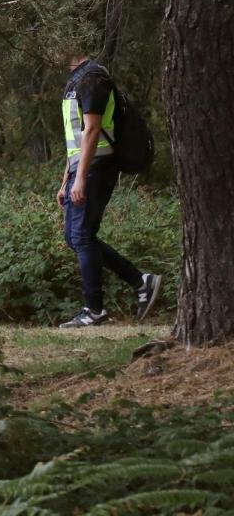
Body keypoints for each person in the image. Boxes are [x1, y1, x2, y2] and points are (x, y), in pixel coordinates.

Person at [56, 52, 161, 328]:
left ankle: (94, 309)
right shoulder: (75, 81)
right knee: (74, 237)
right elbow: (75, 137)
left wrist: (79, 179)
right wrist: (66, 179)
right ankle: (140, 281)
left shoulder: (92, 78)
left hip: (97, 168)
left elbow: (92, 130)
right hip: (82, 169)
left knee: (82, 236)